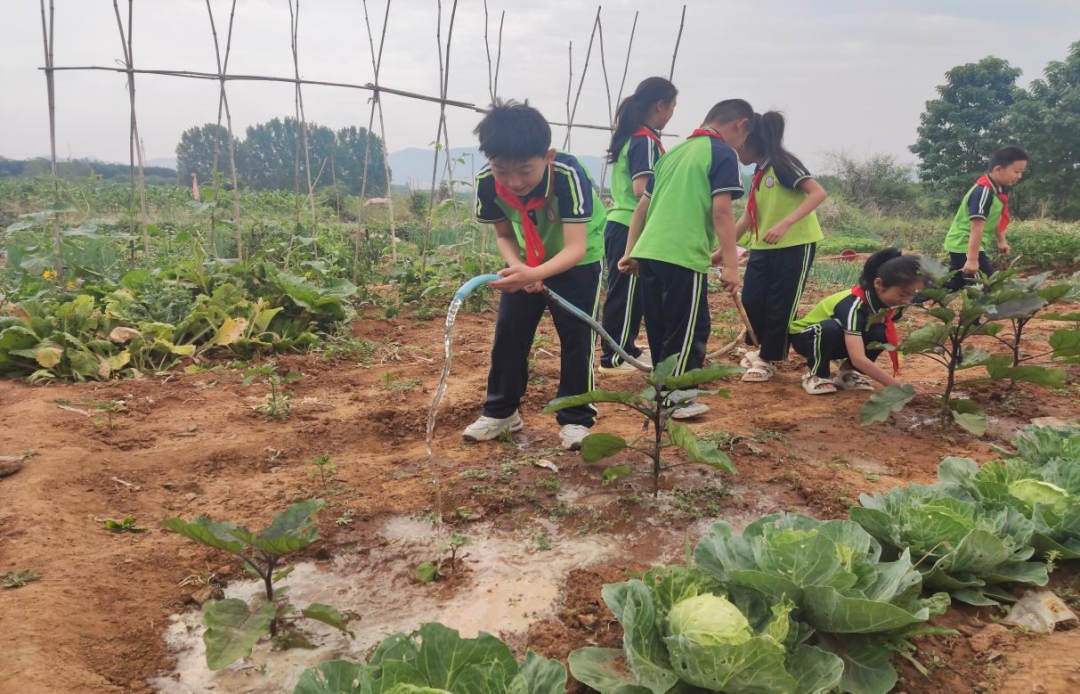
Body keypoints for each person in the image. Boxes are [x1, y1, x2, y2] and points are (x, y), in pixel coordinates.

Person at [462, 100, 607, 451]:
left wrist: (536, 272)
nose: (514, 182)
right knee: (509, 333)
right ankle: (501, 413)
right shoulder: (486, 184)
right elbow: (504, 235)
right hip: (526, 258)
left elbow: (574, 247)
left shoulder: (569, 176)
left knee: (577, 336)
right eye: (501, 171)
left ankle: (576, 419)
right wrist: (519, 269)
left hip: (579, 259)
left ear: (548, 156)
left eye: (526, 171)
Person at [619, 99, 754, 418]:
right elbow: (721, 211)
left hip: (649, 253)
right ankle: (677, 398)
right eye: (744, 138)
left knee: (661, 324)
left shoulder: (672, 154)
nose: (742, 145)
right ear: (740, 125)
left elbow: (642, 209)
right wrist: (732, 266)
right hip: (682, 254)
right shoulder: (722, 153)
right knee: (689, 328)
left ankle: (662, 391)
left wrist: (629, 252)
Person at [734, 111, 827, 383]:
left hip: (795, 244)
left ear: (754, 141)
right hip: (763, 247)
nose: (737, 150)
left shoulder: (783, 165)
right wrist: (725, 249)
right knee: (751, 300)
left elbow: (817, 193)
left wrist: (786, 223)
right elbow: (748, 216)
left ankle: (768, 358)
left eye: (740, 144)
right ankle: (764, 349)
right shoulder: (759, 174)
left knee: (780, 303)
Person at [598, 77, 678, 374]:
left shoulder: (638, 136)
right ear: (661, 105)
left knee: (634, 293)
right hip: (631, 223)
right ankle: (613, 357)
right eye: (672, 106)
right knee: (625, 293)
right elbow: (641, 187)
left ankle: (627, 348)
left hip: (628, 223)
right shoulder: (644, 139)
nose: (672, 113)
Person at [789, 248, 924, 395]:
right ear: (878, 283)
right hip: (808, 339)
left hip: (839, 341)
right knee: (830, 328)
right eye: (902, 294)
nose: (906, 300)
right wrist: (898, 386)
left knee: (881, 332)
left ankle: (847, 373)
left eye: (912, 295)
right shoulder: (853, 304)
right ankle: (815, 373)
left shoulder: (888, 303)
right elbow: (858, 358)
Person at [943, 145, 1028, 291]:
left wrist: (1002, 240)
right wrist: (972, 260)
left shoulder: (1000, 189)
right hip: (964, 243)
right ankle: (909, 294)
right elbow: (976, 227)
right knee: (984, 287)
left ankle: (914, 294)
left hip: (970, 245)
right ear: (998, 170)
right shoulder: (983, 192)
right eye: (1016, 171)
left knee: (955, 285)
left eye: (1021, 172)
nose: (1019, 176)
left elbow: (996, 217)